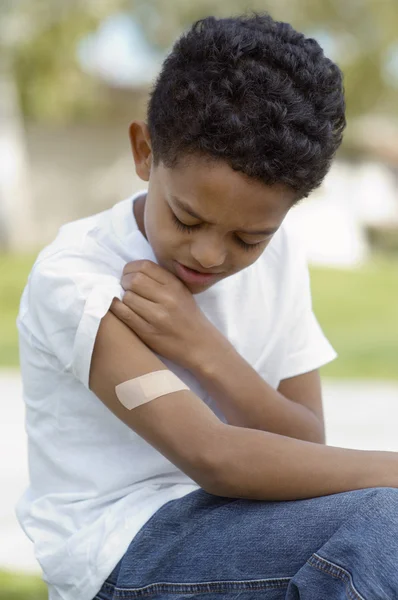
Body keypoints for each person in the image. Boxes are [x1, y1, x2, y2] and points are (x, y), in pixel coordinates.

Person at [16, 11, 398, 600]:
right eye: (187, 218)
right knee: (381, 528)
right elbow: (213, 457)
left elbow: (306, 443)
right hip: (124, 550)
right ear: (145, 152)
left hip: (250, 518)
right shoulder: (80, 278)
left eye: (249, 238)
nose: (210, 254)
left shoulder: (279, 258)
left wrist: (203, 348)